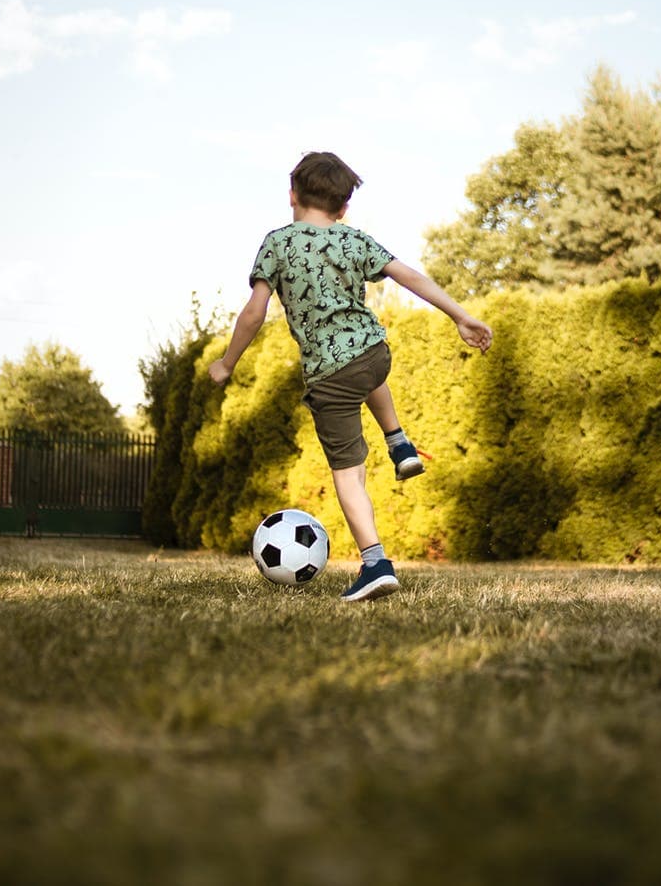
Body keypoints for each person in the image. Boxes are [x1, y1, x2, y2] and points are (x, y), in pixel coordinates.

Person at [209, 151, 493, 601]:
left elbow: (253, 313)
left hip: (329, 377)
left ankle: (375, 563)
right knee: (365, 367)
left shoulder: (278, 243)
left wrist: (227, 363)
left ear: (292, 195)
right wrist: (461, 316)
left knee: (348, 476)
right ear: (343, 208)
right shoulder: (354, 240)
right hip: (375, 353)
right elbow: (409, 276)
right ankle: (399, 442)